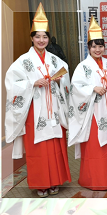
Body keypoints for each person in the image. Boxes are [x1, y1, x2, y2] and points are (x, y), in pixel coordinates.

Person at [4, 3, 71, 197]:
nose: (41, 40)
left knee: (55, 145)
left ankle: (55, 181)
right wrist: (32, 83)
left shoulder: (56, 60)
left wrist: (58, 81)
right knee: (39, 148)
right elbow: (12, 83)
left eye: (45, 36)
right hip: (35, 109)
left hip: (53, 107)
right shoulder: (23, 61)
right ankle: (41, 183)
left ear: (49, 39)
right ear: (32, 38)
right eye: (37, 36)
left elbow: (65, 78)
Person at [68, 16, 107, 190]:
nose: (97, 49)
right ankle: (95, 179)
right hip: (94, 111)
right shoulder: (82, 67)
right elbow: (75, 88)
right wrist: (92, 88)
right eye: (94, 46)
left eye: (100, 46)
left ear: (104, 47)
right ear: (88, 47)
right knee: (96, 144)